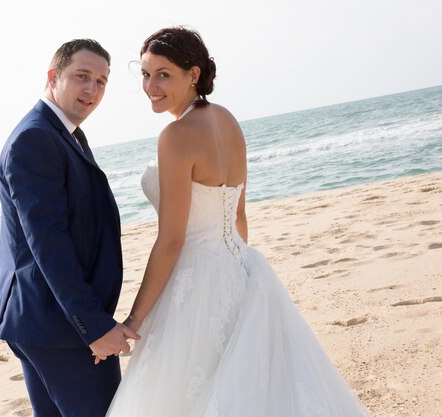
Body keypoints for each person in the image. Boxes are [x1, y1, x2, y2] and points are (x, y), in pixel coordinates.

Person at [105, 27, 370, 416]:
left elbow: (172, 240)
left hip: (196, 280)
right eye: (145, 74)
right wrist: (242, 273)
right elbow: (238, 213)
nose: (150, 86)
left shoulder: (176, 136)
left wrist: (135, 317)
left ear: (193, 74)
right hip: (242, 267)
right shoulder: (226, 119)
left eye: (163, 74)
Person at [0, 38, 139, 417]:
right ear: (53, 76)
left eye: (102, 82)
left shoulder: (60, 132)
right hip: (59, 327)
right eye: (82, 76)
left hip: (39, 321)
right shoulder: (35, 138)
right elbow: (48, 244)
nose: (92, 90)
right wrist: (92, 326)